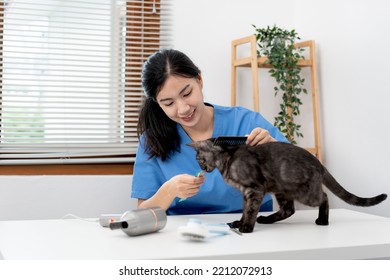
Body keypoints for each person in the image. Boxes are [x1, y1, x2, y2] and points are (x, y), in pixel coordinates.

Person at [131, 49, 288, 215]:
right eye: (169, 103)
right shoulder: (151, 141)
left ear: (199, 80)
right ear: (158, 104)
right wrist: (169, 190)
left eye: (187, 93)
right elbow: (143, 212)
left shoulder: (245, 122)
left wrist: (272, 149)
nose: (183, 109)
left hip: (251, 230)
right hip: (184, 236)